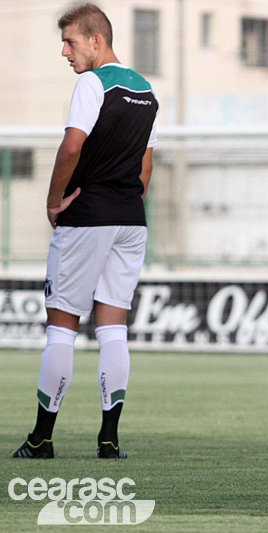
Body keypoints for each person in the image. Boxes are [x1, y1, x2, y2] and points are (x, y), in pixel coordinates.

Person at [12, 3, 158, 460]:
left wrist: (53, 201)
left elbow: (71, 147)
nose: (64, 51)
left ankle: (41, 439)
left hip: (87, 216)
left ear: (96, 40)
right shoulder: (147, 90)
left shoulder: (93, 84)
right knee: (113, 328)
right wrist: (127, 204)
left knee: (62, 328)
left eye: (70, 42)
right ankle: (109, 440)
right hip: (130, 219)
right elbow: (146, 164)